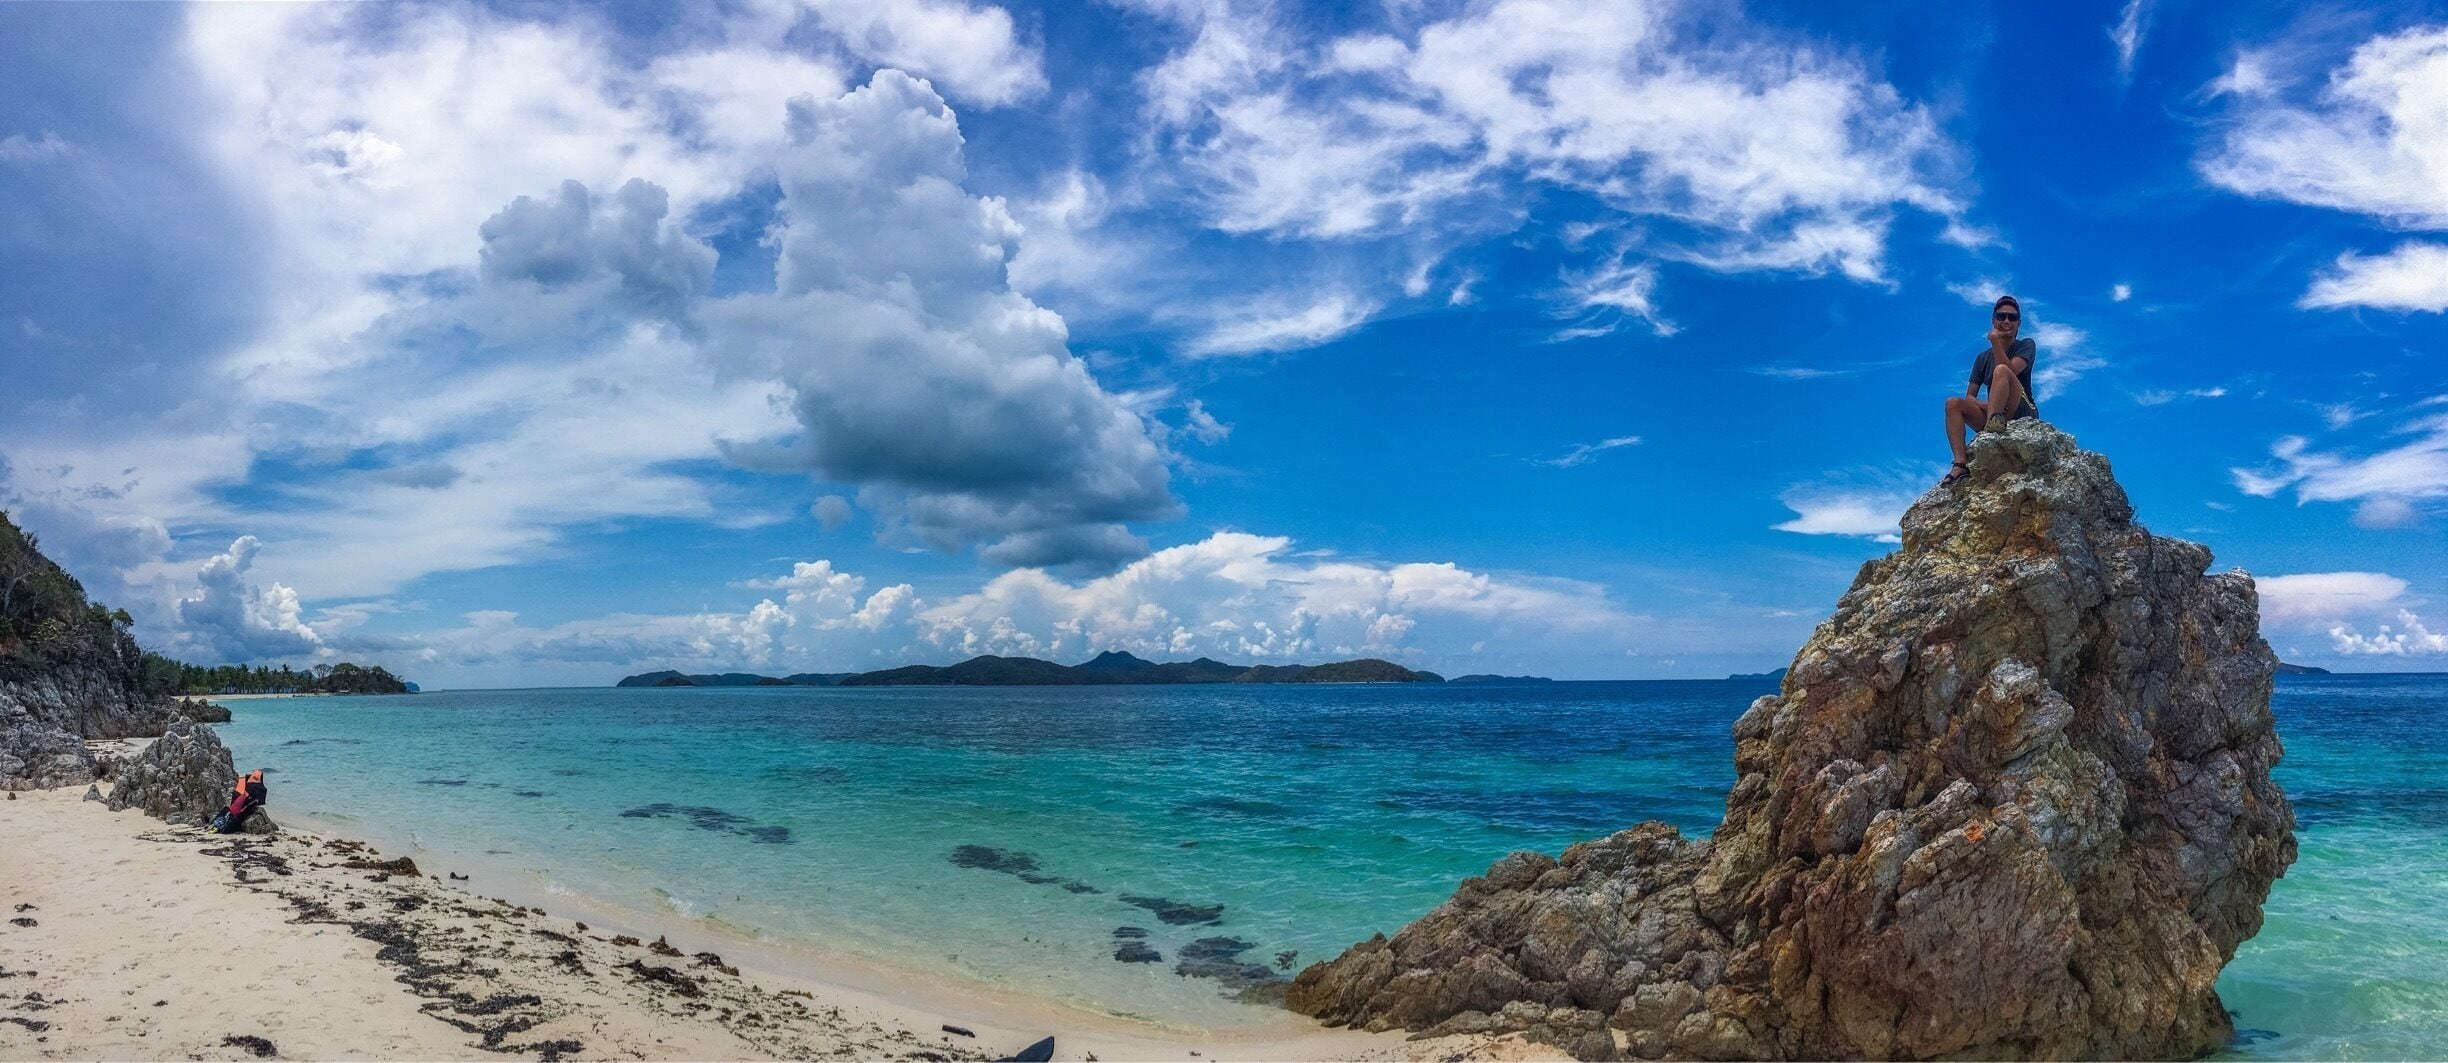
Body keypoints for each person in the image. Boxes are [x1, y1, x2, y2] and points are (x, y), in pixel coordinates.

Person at [1941, 295, 2040, 485]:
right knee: (1952, 404)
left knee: (2001, 370)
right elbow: (1970, 396)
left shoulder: (2026, 345)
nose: (2006, 321)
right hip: (1994, 412)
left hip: (2022, 410)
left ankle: (1992, 427)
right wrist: (1987, 405)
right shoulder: (1982, 358)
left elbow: (2010, 371)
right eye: (2001, 316)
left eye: (2012, 318)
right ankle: (1960, 464)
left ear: (2019, 323)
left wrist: (1995, 342)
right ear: (1994, 320)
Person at [208, 768, 266, 833]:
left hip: (235, 810)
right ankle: (218, 825)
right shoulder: (251, 793)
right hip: (236, 812)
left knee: (230, 812)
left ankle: (217, 825)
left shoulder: (246, 792)